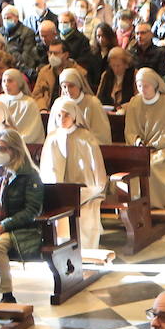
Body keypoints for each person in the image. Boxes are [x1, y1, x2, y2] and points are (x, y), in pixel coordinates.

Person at [0, 131, 44, 304]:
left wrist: (4, 226)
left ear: (14, 150)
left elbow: (32, 210)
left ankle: (7, 294)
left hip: (21, 229)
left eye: (2, 148)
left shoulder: (29, 175)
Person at [40, 98, 107, 251]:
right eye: (58, 116)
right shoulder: (52, 138)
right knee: (57, 210)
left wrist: (95, 188)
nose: (62, 119)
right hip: (59, 192)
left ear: (75, 116)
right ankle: (63, 250)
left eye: (66, 115)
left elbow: (96, 170)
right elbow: (47, 169)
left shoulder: (86, 137)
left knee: (86, 212)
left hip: (85, 191)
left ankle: (87, 251)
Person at [122, 68, 165, 210]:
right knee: (130, 166)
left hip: (163, 149)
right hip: (139, 149)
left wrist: (154, 146)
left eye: (146, 86)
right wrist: (137, 142)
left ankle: (158, 205)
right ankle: (134, 204)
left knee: (153, 166)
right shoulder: (134, 103)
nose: (142, 89)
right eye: (139, 86)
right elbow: (130, 130)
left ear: (155, 85)